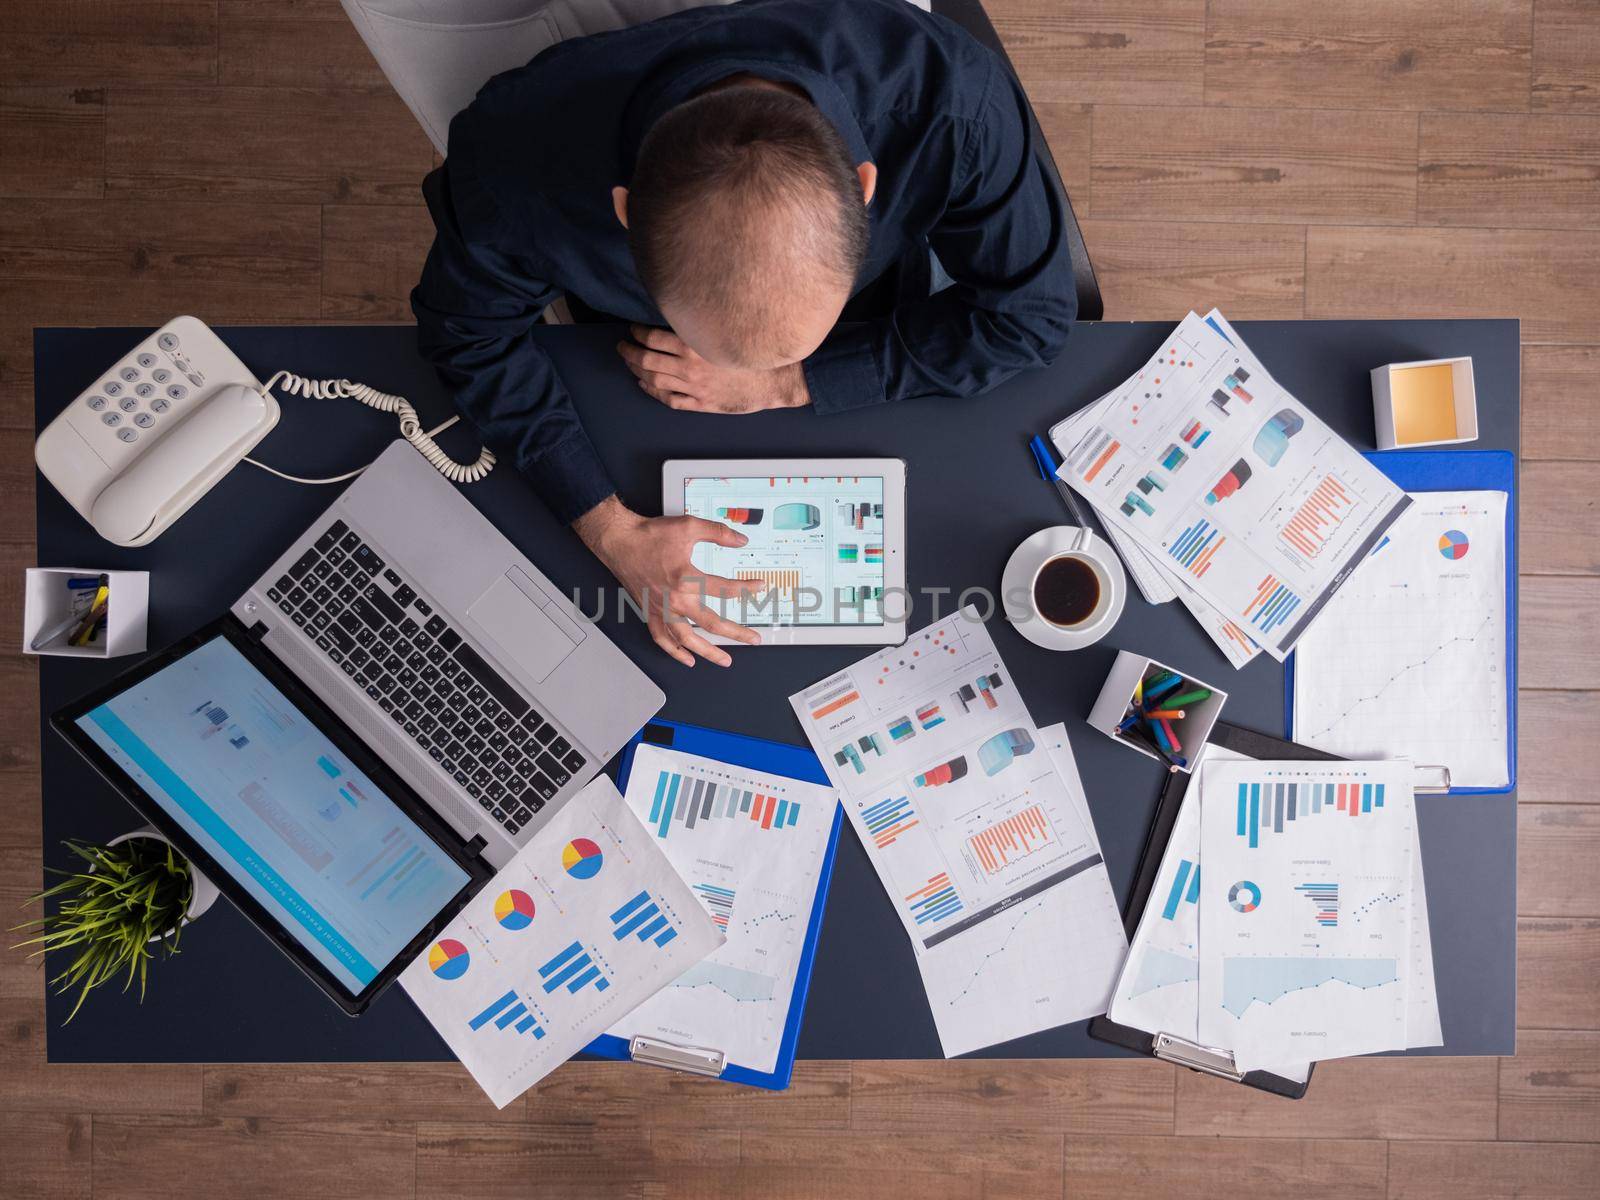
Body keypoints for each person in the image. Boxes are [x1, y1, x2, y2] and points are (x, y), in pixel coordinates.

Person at [412, 0, 1076, 667]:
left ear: (864, 187)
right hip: (636, 372)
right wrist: (611, 529)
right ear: (625, 210)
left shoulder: (952, 104)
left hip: (867, 330)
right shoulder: (515, 164)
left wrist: (787, 381)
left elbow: (1031, 316)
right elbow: (467, 333)